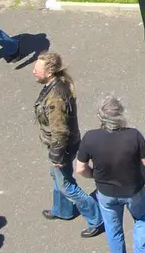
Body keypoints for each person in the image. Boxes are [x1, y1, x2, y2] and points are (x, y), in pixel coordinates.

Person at [76, 95, 145, 253]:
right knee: (142, 219)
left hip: (106, 193)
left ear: (100, 117)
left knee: (113, 227)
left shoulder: (90, 138)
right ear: (121, 115)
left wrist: (94, 175)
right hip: (133, 189)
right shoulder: (133, 135)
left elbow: (80, 168)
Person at [34, 52, 105, 236]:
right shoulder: (57, 85)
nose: (33, 71)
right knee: (57, 175)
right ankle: (62, 209)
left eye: (37, 69)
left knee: (66, 184)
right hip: (64, 144)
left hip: (62, 146)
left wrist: (57, 155)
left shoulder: (55, 99)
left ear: (49, 72)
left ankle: (96, 219)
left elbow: (60, 131)